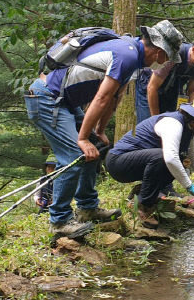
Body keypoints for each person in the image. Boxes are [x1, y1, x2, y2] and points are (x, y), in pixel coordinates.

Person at [23, 20, 183, 237]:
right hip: (47, 98)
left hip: (64, 102)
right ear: (157, 51)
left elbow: (112, 99)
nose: (165, 63)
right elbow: (101, 97)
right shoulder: (126, 55)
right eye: (167, 57)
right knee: (73, 156)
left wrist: (98, 131)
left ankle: (87, 208)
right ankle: (59, 221)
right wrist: (82, 139)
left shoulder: (132, 57)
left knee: (95, 147)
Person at [106, 95, 194, 228]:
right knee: (165, 158)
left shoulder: (190, 129)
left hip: (137, 163)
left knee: (179, 159)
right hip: (118, 163)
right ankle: (143, 207)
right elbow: (170, 159)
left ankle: (141, 194)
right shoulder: (172, 123)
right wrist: (190, 187)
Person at [135, 34, 194, 122]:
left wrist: (193, 115)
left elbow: (192, 90)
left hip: (171, 93)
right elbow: (152, 88)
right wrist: (155, 121)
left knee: (171, 124)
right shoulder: (174, 55)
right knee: (150, 127)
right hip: (148, 90)